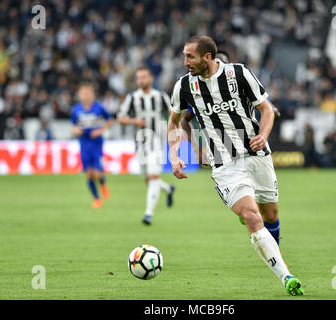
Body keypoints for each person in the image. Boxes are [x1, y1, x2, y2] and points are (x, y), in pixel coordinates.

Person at [167, 35, 304, 296]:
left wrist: (263, 135)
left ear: (208, 57)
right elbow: (174, 122)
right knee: (252, 217)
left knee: (271, 215)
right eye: (184, 56)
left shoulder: (239, 74)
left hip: (256, 154)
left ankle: (274, 255)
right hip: (224, 163)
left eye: (190, 56)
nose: (185, 62)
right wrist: (177, 154)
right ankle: (286, 276)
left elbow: (265, 109)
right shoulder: (184, 86)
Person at [181, 49, 284, 237]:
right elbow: (184, 120)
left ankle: (274, 250)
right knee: (250, 209)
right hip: (223, 153)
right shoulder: (199, 91)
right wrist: (196, 148)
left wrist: (269, 119)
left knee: (270, 213)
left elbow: (268, 108)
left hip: (250, 147)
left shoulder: (239, 80)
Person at [118, 67, 175, 225]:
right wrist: (134, 121)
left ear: (150, 78)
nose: (141, 80)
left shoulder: (160, 96)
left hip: (156, 141)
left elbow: (173, 114)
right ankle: (169, 190)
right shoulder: (132, 98)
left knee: (153, 177)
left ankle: (148, 214)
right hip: (140, 142)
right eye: (138, 78)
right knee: (147, 179)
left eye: (144, 77)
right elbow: (120, 118)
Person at [70, 83, 113, 209]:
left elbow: (110, 120)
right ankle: (97, 199)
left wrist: (100, 131)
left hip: (96, 144)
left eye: (88, 93)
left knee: (97, 173)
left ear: (93, 95)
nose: (85, 96)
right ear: (79, 95)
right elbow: (73, 125)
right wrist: (76, 131)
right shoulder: (76, 110)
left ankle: (103, 183)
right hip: (84, 144)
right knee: (88, 174)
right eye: (83, 93)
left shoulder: (99, 108)